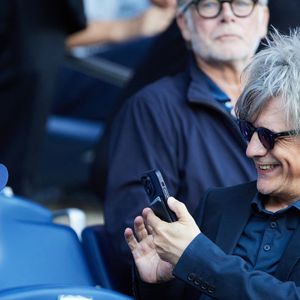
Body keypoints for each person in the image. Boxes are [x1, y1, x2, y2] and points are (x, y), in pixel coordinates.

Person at [125, 29, 300, 299]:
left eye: (267, 136)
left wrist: (200, 259)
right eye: (247, 131)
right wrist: (159, 283)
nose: (251, 149)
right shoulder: (219, 204)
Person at [104, 0, 269, 276]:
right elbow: (139, 234)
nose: (227, 15)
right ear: (184, 24)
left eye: (241, 3)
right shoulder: (153, 108)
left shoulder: (291, 104)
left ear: (263, 18)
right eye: (209, 5)